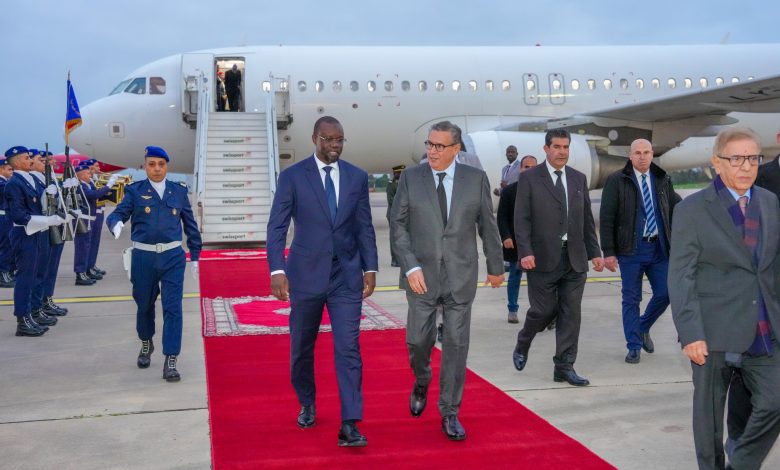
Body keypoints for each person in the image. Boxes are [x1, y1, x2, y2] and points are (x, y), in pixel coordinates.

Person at [669, 127, 780, 469]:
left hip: (763, 328)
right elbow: (681, 275)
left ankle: (741, 463)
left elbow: (772, 267)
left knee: (774, 401)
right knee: (710, 421)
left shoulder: (769, 202)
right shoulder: (692, 209)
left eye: (753, 158)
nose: (746, 166)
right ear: (717, 163)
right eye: (737, 159)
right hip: (712, 331)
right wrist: (691, 332)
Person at [266, 116, 378, 447]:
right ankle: (307, 402)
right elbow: (277, 226)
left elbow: (364, 226)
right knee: (301, 347)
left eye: (339, 139)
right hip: (305, 275)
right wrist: (277, 270)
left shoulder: (356, 177)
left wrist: (370, 266)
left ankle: (350, 423)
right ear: (315, 139)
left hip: (346, 275)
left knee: (349, 348)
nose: (335, 145)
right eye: (328, 139)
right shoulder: (292, 177)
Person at [390, 120, 504, 441]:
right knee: (417, 341)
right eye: (430, 144)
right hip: (421, 277)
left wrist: (496, 266)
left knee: (456, 344)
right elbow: (398, 226)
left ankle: (450, 412)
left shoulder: (475, 179)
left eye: (439, 146)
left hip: (460, 276)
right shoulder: (412, 178)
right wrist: (410, 266)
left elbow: (487, 225)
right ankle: (422, 378)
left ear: (456, 149)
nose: (432, 151)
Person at [511, 129, 606, 387]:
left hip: (575, 258)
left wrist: (595, 253)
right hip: (541, 258)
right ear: (546, 149)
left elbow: (586, 220)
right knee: (543, 310)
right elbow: (521, 219)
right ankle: (524, 339)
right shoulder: (530, 178)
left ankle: (564, 366)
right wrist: (525, 252)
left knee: (570, 314)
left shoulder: (578, 178)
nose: (562, 152)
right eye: (557, 147)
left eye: (566, 147)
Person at [106, 146, 201, 382]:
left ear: (167, 166)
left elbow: (190, 226)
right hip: (144, 258)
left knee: (173, 308)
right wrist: (115, 223)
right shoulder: (135, 191)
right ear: (145, 166)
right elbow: (118, 213)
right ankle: (146, 342)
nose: (156, 169)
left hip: (172, 257)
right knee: (144, 305)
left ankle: (171, 358)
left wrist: (195, 255)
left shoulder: (179, 191)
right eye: (152, 164)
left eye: (161, 164)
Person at [599, 139, 679, 364]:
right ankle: (633, 346)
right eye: (637, 153)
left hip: (659, 248)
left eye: (646, 152)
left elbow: (675, 209)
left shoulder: (663, 179)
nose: (642, 157)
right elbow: (607, 217)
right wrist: (609, 251)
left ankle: (643, 327)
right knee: (631, 298)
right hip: (630, 250)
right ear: (630, 155)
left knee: (666, 292)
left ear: (652, 154)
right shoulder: (617, 180)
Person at [4, 146, 66, 336]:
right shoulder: (14, 183)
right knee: (25, 278)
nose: (30, 160)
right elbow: (19, 215)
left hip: (37, 232)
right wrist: (48, 221)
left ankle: (33, 312)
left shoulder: (28, 179)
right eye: (26, 158)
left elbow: (40, 206)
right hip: (25, 234)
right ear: (16, 162)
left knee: (38, 275)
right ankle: (22, 320)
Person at [497, 155, 537, 323]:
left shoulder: (544, 190)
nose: (529, 170)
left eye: (533, 167)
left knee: (539, 280)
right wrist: (506, 236)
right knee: (515, 275)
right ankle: (512, 309)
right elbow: (502, 216)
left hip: (538, 242)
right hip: (515, 241)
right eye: (526, 167)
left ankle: (541, 312)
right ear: (520, 169)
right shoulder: (509, 191)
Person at [73, 161, 114, 285]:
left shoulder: (88, 184)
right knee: (82, 247)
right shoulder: (80, 186)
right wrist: (109, 185)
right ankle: (80, 273)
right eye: (87, 173)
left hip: (89, 219)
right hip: (83, 220)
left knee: (87, 246)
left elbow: (97, 193)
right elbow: (94, 194)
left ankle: (86, 270)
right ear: (80, 175)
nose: (90, 174)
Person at [88, 159, 111, 279]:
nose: (99, 168)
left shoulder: (95, 179)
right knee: (91, 241)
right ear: (90, 168)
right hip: (94, 213)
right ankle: (89, 267)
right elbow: (95, 194)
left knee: (96, 242)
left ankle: (92, 264)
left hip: (99, 212)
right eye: (96, 166)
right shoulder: (88, 181)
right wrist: (108, 185)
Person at [0, 155, 15, 287]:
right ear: (1, 169)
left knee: (8, 246)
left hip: (7, 217)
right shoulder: (2, 183)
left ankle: (7, 272)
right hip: (3, 217)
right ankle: (3, 273)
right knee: (6, 246)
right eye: (9, 169)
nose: (11, 172)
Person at [386, 164, 405, 267]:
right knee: (394, 237)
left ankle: (402, 258)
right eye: (399, 173)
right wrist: (403, 204)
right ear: (395, 173)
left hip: (404, 214)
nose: (401, 174)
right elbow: (391, 200)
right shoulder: (391, 184)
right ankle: (394, 259)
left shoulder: (405, 183)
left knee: (404, 236)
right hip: (393, 214)